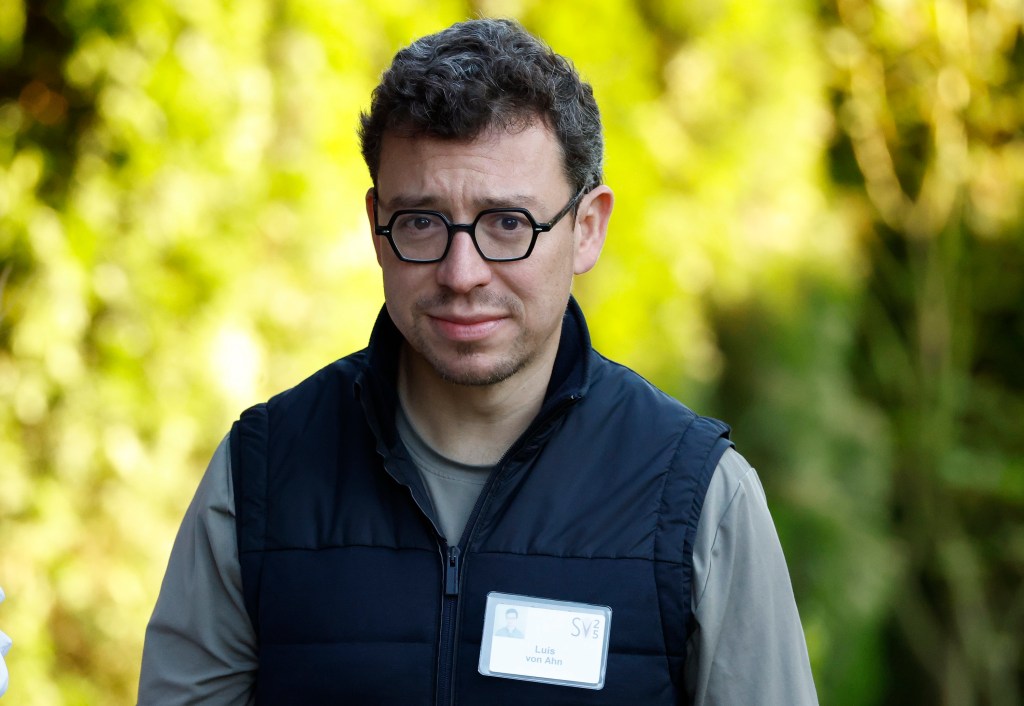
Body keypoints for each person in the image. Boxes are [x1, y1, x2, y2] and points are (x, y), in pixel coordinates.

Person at [139, 18, 818, 704]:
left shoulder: (699, 500)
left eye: (507, 224)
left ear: (587, 229)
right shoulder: (258, 480)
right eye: (422, 222)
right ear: (378, 227)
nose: (462, 273)